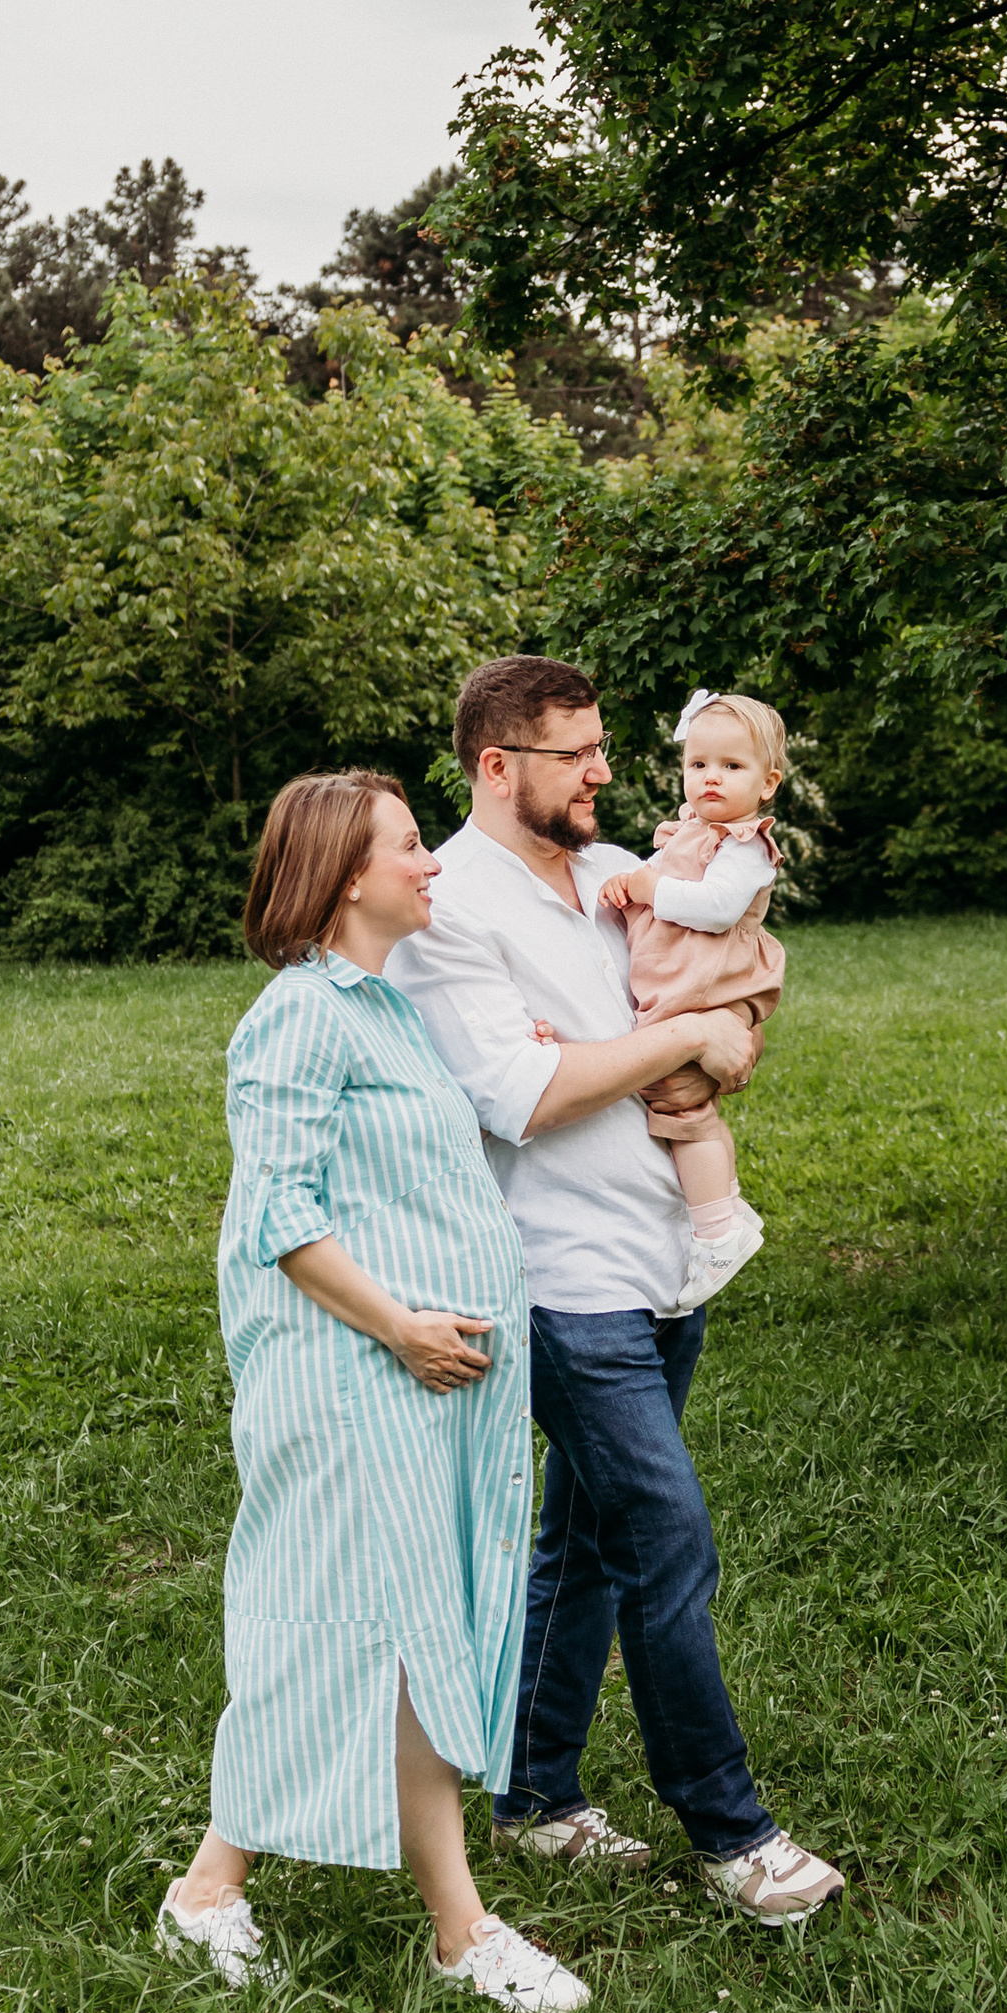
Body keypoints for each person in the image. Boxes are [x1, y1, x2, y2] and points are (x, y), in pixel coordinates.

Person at [155, 768, 767, 2013]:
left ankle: (212, 1887)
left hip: (419, 1380)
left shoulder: (385, 1011)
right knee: (390, 1638)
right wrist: (400, 1325)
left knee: (371, 1632)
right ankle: (460, 1930)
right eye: (402, 850)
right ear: (342, 879)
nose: (429, 862)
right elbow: (276, 1218)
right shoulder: (297, 1018)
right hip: (351, 1377)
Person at [387, 654, 845, 1924]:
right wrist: (672, 1041)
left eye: (601, 748)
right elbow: (525, 1096)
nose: (604, 771)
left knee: (584, 1541)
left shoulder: (611, 877)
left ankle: (535, 1797)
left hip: (659, 1259)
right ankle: (730, 1830)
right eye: (575, 753)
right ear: (497, 766)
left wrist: (708, 1037)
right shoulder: (449, 905)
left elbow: (717, 1005)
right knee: (664, 1536)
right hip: (558, 1278)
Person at [598, 686, 789, 1309]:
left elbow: (713, 909)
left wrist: (649, 888)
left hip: (707, 987)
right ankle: (725, 1204)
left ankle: (716, 1230)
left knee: (682, 1109)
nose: (711, 778)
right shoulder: (689, 832)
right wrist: (633, 886)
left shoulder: (745, 847)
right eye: (699, 764)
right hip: (683, 985)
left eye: (732, 767)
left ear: (768, 783)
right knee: (678, 1102)